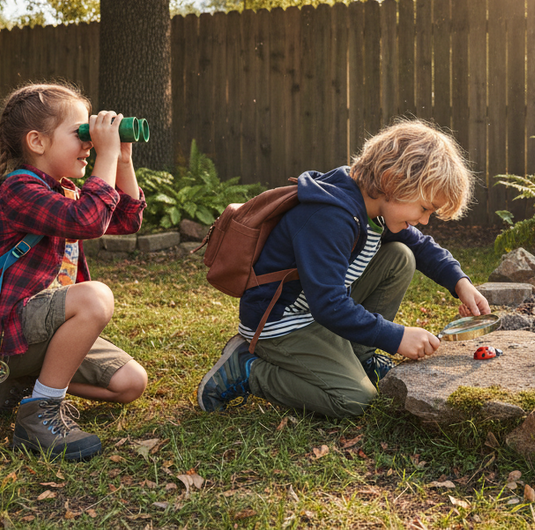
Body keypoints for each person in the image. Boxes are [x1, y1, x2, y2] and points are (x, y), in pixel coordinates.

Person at [196, 119, 490, 418]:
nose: (425, 220)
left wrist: (460, 282)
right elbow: (329, 305)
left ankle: (359, 357)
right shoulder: (331, 216)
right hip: (278, 323)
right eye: (425, 208)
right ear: (393, 181)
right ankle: (247, 370)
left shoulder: (374, 205)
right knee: (355, 400)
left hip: (315, 311)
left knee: (400, 256)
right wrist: (396, 336)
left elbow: (421, 246)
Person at [0, 82, 148, 461]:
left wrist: (122, 158)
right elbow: (89, 221)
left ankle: (24, 383)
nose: (89, 143)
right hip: (4, 335)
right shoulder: (19, 190)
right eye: (81, 133)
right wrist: (106, 156)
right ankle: (41, 413)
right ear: (38, 142)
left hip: (37, 333)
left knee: (130, 384)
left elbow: (126, 220)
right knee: (95, 296)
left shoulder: (62, 191)